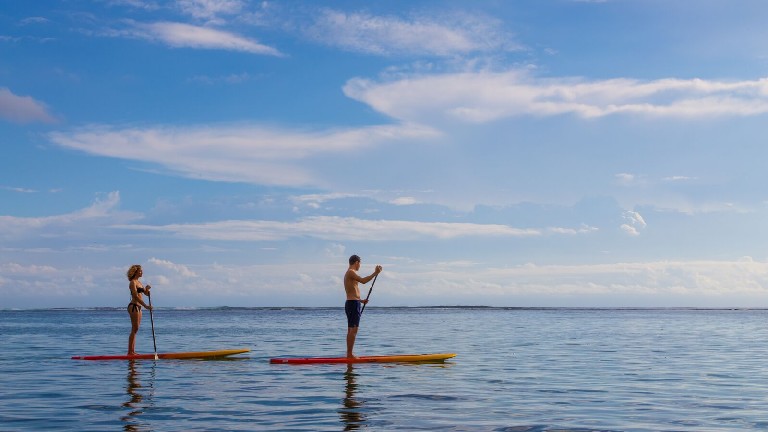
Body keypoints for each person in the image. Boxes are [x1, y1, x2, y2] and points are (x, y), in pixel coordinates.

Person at [344, 255, 382, 358]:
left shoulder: (348, 273)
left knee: (351, 329)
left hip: (352, 302)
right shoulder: (351, 272)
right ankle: (349, 354)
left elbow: (351, 291)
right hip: (353, 304)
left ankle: (349, 354)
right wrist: (375, 273)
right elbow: (363, 281)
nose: (360, 266)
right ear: (356, 262)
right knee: (353, 329)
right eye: (360, 264)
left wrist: (360, 301)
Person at [126, 264, 152, 355]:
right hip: (134, 306)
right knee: (134, 329)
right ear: (136, 272)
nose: (142, 272)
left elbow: (146, 294)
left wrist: (147, 289)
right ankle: (130, 352)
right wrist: (145, 306)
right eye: (140, 271)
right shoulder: (132, 282)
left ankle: (133, 351)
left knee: (136, 329)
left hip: (139, 307)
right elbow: (135, 296)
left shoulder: (139, 283)